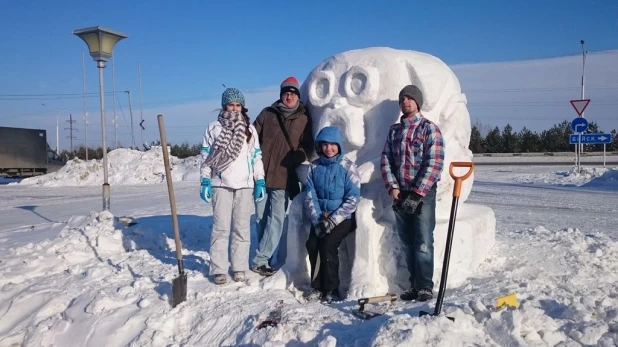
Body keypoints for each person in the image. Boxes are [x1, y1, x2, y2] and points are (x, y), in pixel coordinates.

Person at [380, 84, 445, 302]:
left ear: (417, 102)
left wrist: (417, 194)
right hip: (400, 193)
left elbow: (434, 163)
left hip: (422, 193)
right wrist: (393, 187)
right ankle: (413, 286)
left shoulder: (429, 129)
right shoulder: (394, 131)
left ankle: (425, 286)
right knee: (407, 241)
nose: (405, 102)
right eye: (402, 99)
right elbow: (386, 159)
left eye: (409, 98)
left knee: (423, 241)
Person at [200, 88, 266, 285]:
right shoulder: (214, 127)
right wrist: (205, 179)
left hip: (245, 185)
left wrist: (259, 179)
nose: (235, 109)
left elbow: (256, 156)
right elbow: (205, 156)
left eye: (238, 105)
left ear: (242, 107)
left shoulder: (249, 129)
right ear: (224, 106)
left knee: (242, 228)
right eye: (231, 104)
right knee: (221, 228)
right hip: (221, 184)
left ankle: (239, 267)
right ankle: (219, 268)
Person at [251, 76, 314, 276]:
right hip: (261, 175)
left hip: (283, 176)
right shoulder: (267, 114)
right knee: (261, 218)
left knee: (276, 219)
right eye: (286, 93)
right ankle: (266, 257)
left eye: (293, 93)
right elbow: (251, 138)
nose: (289, 96)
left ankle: (260, 259)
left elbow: (309, 146)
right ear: (281, 95)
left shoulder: (304, 118)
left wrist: (300, 155)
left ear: (297, 96)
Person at [303, 126, 360, 304]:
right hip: (321, 217)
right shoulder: (314, 168)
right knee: (312, 244)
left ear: (339, 146)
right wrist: (317, 219)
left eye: (333, 145)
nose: (329, 149)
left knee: (328, 244)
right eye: (325, 145)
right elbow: (309, 195)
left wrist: (333, 221)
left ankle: (332, 288)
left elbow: (353, 198)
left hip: (343, 218)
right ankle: (317, 286)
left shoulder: (348, 167)